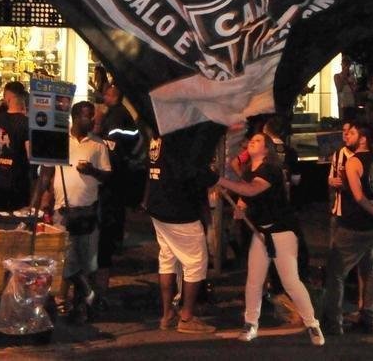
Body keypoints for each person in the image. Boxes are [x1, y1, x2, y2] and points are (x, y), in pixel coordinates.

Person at [217, 132, 324, 345]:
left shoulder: (271, 169)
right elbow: (246, 196)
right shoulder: (250, 171)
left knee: (290, 281)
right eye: (251, 141)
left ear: (266, 149)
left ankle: (312, 324)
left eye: (257, 141)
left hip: (282, 231)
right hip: (261, 233)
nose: (251, 143)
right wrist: (240, 208)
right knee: (254, 281)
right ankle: (251, 323)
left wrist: (220, 180)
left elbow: (253, 189)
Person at [37, 100, 111, 322]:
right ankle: (67, 300)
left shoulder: (98, 145)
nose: (92, 121)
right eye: (88, 116)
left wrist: (92, 171)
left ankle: (80, 307)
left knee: (87, 262)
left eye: (93, 116)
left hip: (88, 211)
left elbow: (107, 176)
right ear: (75, 117)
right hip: (63, 211)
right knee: (65, 260)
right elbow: (46, 173)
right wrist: (42, 200)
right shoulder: (60, 141)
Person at [143, 130, 217, 334]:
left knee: (168, 259)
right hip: (179, 208)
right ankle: (186, 317)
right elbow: (190, 171)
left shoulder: (157, 135)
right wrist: (212, 176)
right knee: (195, 263)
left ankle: (167, 314)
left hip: (158, 205)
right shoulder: (178, 137)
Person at [321, 121, 373, 335]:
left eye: (351, 133)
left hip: (354, 225)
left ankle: (334, 322)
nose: (346, 136)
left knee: (336, 273)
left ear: (362, 138)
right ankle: (369, 318)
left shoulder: (353, 162)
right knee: (370, 271)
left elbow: (358, 196)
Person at [95, 83, 143, 305]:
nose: (103, 97)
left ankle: (113, 243)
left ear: (112, 95)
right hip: (121, 171)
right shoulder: (123, 115)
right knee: (116, 212)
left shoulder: (115, 117)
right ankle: (115, 240)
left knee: (111, 214)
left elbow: (111, 145)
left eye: (106, 93)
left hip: (114, 174)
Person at [0, 81, 32, 212]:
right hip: (19, 183)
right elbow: (30, 154)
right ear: (23, 98)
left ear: (7, 97)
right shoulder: (26, 124)